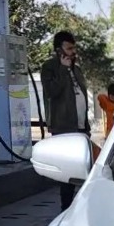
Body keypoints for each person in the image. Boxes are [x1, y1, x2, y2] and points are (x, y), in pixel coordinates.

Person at [40, 30, 90, 210]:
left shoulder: (76, 69)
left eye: (73, 48)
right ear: (58, 50)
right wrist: (62, 68)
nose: (73, 52)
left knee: (85, 167)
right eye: (69, 48)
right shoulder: (50, 67)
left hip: (80, 125)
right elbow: (51, 92)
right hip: (63, 126)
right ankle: (66, 208)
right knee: (68, 172)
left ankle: (81, 206)